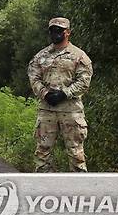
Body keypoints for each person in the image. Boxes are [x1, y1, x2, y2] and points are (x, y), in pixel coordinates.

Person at [28, 17, 93, 173]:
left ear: (67, 32)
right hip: (47, 109)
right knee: (42, 153)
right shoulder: (40, 56)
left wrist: (65, 93)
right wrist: (45, 93)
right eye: (52, 30)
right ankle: (44, 189)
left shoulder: (79, 56)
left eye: (59, 30)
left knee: (76, 153)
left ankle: (78, 191)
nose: (55, 33)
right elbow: (33, 77)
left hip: (71, 111)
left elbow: (84, 80)